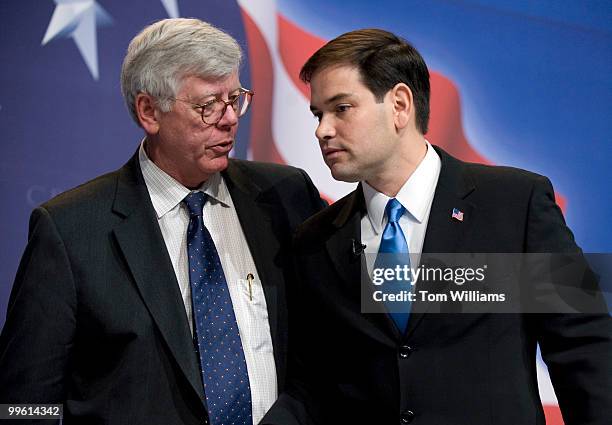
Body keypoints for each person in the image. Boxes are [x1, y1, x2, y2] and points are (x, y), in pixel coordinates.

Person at [262, 29, 611, 425]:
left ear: (399, 105)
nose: (322, 130)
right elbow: (314, 385)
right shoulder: (316, 240)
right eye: (318, 114)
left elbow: (585, 348)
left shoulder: (515, 204)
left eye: (341, 108)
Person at [0, 18, 324, 424]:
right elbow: (25, 404)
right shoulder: (70, 230)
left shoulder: (284, 196)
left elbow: (329, 346)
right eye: (208, 106)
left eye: (235, 98)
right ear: (149, 111)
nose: (229, 119)